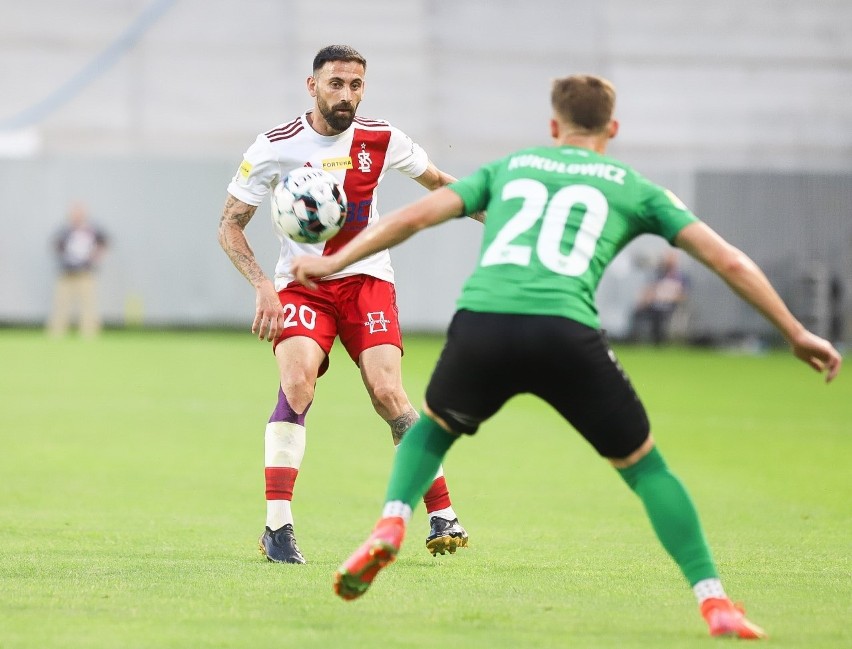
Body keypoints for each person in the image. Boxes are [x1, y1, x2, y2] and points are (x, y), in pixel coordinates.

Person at [290, 74, 842, 637]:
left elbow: (414, 216)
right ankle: (715, 602)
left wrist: (333, 262)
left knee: (430, 429)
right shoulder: (635, 187)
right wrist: (795, 332)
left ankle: (390, 525)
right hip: (564, 331)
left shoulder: (512, 168)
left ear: (554, 127)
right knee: (647, 468)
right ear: (613, 129)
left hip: (484, 325)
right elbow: (729, 262)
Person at [218, 44, 479, 564]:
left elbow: (440, 186)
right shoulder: (275, 146)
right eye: (336, 83)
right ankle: (277, 528)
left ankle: (442, 513)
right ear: (311, 86)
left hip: (366, 279)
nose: (347, 95)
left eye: (356, 85)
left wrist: (495, 215)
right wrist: (262, 286)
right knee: (297, 384)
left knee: (387, 392)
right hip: (302, 285)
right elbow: (229, 224)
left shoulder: (382, 138)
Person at [46, 201, 109, 338]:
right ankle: (57, 331)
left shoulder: (92, 230)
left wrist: (95, 256)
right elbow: (56, 245)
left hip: (85, 272)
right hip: (67, 272)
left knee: (88, 303)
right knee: (61, 303)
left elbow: (103, 243)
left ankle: (89, 331)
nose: (77, 216)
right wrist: (63, 257)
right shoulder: (64, 230)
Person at [630, 249, 690, 344]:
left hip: (670, 307)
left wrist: (669, 298)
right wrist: (645, 299)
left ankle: (660, 341)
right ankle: (634, 340)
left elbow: (684, 295)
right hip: (655, 305)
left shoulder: (682, 277)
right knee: (637, 313)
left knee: (660, 318)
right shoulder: (659, 274)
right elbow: (650, 289)